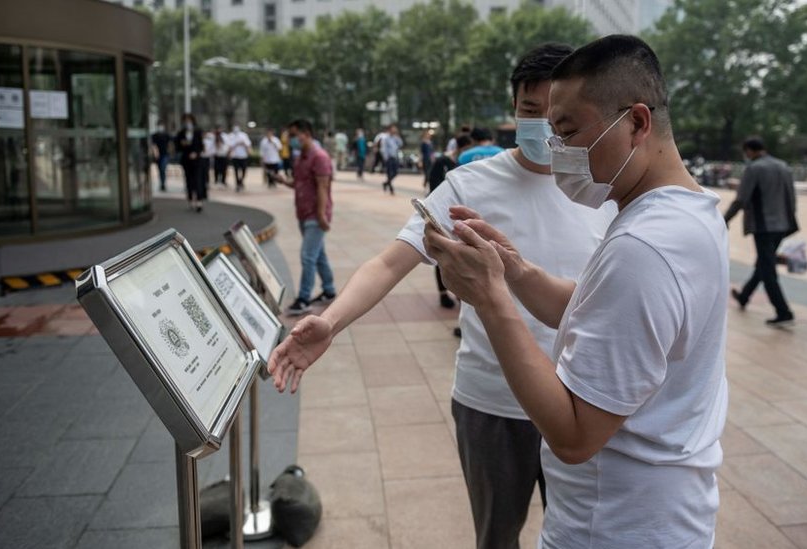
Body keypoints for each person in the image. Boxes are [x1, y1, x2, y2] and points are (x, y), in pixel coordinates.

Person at [267, 43, 617, 549]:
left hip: (583, 400)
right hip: (493, 403)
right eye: (529, 111)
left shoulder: (603, 187)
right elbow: (390, 261)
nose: (541, 125)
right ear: (513, 110)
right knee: (497, 535)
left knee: (584, 537)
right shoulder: (471, 183)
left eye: (555, 113)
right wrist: (331, 320)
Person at [421, 35, 729, 549]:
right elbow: (602, 316)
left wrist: (492, 301)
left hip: (614, 526)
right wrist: (516, 273)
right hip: (664, 514)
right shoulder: (688, 212)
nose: (557, 150)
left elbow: (574, 436)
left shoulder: (643, 247)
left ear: (635, 122)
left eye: (567, 131)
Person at [724, 136, 798, 327]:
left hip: (764, 226)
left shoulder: (754, 168)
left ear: (749, 150)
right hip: (783, 225)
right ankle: (744, 296)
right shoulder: (783, 166)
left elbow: (741, 199)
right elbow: (791, 196)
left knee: (767, 270)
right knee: (764, 263)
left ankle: (784, 312)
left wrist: (724, 219)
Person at [274, 119, 337, 316]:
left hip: (315, 215)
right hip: (303, 213)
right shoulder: (300, 157)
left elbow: (323, 187)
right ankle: (329, 290)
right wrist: (284, 182)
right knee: (318, 254)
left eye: (294, 135)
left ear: (306, 133)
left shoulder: (319, 157)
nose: (291, 139)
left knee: (307, 256)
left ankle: (303, 299)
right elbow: (300, 183)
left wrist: (321, 215)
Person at [427, 133, 473, 309]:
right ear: (461, 147)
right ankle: (443, 294)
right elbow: (434, 185)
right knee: (441, 255)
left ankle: (461, 296)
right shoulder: (443, 161)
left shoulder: (466, 162)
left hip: (462, 216)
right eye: (468, 148)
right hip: (443, 214)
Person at [174, 113, 205, 212]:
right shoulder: (181, 133)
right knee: (188, 180)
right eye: (186, 121)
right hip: (186, 160)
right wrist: (183, 144)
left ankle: (199, 201)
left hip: (197, 160)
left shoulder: (198, 132)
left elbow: (201, 146)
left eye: (189, 120)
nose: (188, 123)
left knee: (198, 180)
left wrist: (196, 153)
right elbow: (177, 147)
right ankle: (191, 200)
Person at [229, 124, 252, 192]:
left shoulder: (244, 135)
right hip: (235, 156)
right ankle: (237, 184)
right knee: (236, 171)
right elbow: (229, 145)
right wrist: (237, 143)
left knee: (244, 170)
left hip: (243, 156)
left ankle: (241, 181)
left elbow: (248, 144)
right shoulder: (231, 136)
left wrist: (243, 144)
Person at [382, 124, 403, 195]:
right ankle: (391, 188)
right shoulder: (386, 138)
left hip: (395, 157)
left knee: (395, 173)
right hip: (389, 158)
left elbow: (401, 144)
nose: (394, 130)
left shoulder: (395, 137)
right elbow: (384, 148)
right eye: (393, 129)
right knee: (389, 173)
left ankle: (386, 183)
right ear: (390, 130)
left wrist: (397, 136)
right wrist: (385, 157)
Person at [151, 122, 171, 192]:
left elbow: (170, 144)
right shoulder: (155, 135)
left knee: (163, 168)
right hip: (158, 155)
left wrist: (170, 152)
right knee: (160, 169)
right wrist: (156, 153)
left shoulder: (166, 135)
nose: (160, 127)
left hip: (165, 154)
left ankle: (163, 184)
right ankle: (162, 183)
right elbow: (153, 145)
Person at [201, 127, 215, 198]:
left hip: (206, 158)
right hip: (200, 159)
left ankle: (206, 184)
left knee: (206, 172)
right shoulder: (199, 141)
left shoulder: (209, 141)